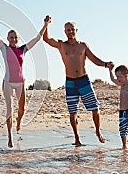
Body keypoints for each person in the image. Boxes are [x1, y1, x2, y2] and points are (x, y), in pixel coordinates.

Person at [43, 15, 113, 146]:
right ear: (65, 32)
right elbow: (46, 39)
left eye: (72, 29)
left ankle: (98, 131)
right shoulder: (61, 45)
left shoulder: (83, 46)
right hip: (70, 82)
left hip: (84, 81)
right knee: (73, 112)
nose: (70, 32)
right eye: (68, 30)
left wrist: (105, 64)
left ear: (76, 31)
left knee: (95, 108)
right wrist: (46, 24)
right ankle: (76, 138)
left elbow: (94, 59)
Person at [0, 17, 49, 148]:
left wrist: (45, 25)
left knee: (22, 108)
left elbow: (37, 39)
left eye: (15, 37)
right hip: (8, 83)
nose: (13, 39)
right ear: (7, 39)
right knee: (9, 109)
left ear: (18, 38)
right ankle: (10, 136)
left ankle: (19, 121)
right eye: (11, 37)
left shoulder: (23, 49)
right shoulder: (4, 49)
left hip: (21, 83)